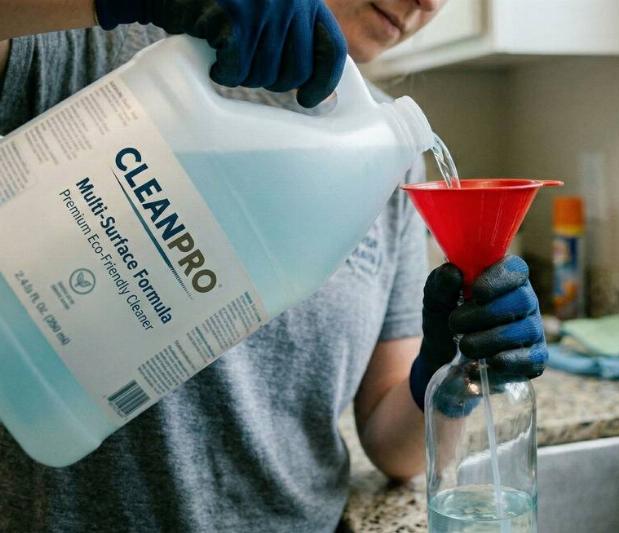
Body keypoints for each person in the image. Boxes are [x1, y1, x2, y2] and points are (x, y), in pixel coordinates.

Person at [0, 1, 548, 531]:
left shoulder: (390, 161)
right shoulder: (102, 43)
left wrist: (452, 369)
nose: (427, 2)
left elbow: (394, 447)